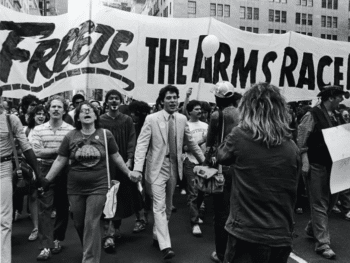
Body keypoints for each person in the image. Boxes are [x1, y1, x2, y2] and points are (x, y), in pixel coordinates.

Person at [40, 101, 141, 263]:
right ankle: (91, 247)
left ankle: (89, 259)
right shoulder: (70, 136)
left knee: (91, 222)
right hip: (75, 187)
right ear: (78, 117)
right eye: (83, 111)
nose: (87, 112)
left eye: (90, 110)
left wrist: (129, 173)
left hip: (99, 186)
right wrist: (46, 180)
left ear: (95, 115)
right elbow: (60, 160)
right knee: (79, 223)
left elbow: (116, 156)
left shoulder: (105, 134)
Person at [217, 82, 300, 263]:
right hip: (281, 234)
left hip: (246, 232)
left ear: (247, 109)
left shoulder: (240, 136)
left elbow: (221, 156)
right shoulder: (291, 146)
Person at [132, 85, 205, 260]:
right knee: (159, 206)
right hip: (156, 166)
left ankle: (158, 234)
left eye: (175, 97)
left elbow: (192, 143)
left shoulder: (181, 119)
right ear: (162, 100)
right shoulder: (151, 119)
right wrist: (137, 168)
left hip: (174, 166)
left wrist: (204, 160)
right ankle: (166, 246)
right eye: (169, 97)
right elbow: (142, 145)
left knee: (168, 205)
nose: (173, 101)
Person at [298, 85, 349, 259]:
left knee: (330, 200)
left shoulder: (337, 116)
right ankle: (323, 243)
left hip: (333, 165)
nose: (342, 100)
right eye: (339, 97)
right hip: (317, 164)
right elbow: (301, 140)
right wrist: (305, 161)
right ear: (331, 98)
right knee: (319, 202)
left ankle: (313, 228)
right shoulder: (311, 115)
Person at [31, 95, 74, 261]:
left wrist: (57, 153)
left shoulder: (70, 130)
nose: (56, 109)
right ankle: (45, 246)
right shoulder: (38, 130)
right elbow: (36, 152)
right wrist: (60, 151)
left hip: (64, 170)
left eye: (59, 107)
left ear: (64, 110)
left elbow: (70, 153)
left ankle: (56, 239)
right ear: (48, 110)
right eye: (53, 107)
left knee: (62, 207)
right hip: (45, 170)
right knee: (45, 208)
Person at [0, 87, 41, 263]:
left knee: (4, 220)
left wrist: (39, 174)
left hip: (4, 169)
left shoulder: (10, 119)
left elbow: (26, 147)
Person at [99, 90, 142, 252]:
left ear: (121, 101)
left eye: (117, 98)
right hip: (106, 164)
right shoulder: (101, 120)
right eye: (111, 98)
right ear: (107, 102)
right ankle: (108, 234)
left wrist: (130, 158)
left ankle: (115, 228)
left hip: (123, 162)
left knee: (121, 197)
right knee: (108, 197)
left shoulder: (127, 120)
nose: (114, 101)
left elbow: (132, 140)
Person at [206, 81, 240, 263]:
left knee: (221, 212)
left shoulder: (217, 115)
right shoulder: (243, 113)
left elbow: (210, 145)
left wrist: (206, 163)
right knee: (238, 210)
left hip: (223, 167)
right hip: (241, 168)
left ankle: (221, 253)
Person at [183, 100, 208, 236]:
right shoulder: (185, 125)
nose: (199, 111)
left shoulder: (206, 125)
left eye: (200, 109)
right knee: (193, 193)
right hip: (191, 162)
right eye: (196, 109)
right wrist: (201, 140)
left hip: (204, 163)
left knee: (202, 192)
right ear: (190, 111)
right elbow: (186, 147)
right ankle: (194, 223)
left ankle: (197, 214)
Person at [24, 104, 48, 241]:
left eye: (43, 114)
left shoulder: (50, 129)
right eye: (38, 113)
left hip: (47, 166)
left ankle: (47, 229)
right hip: (31, 166)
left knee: (46, 196)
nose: (41, 116)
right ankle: (36, 228)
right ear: (33, 116)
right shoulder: (27, 130)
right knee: (33, 196)